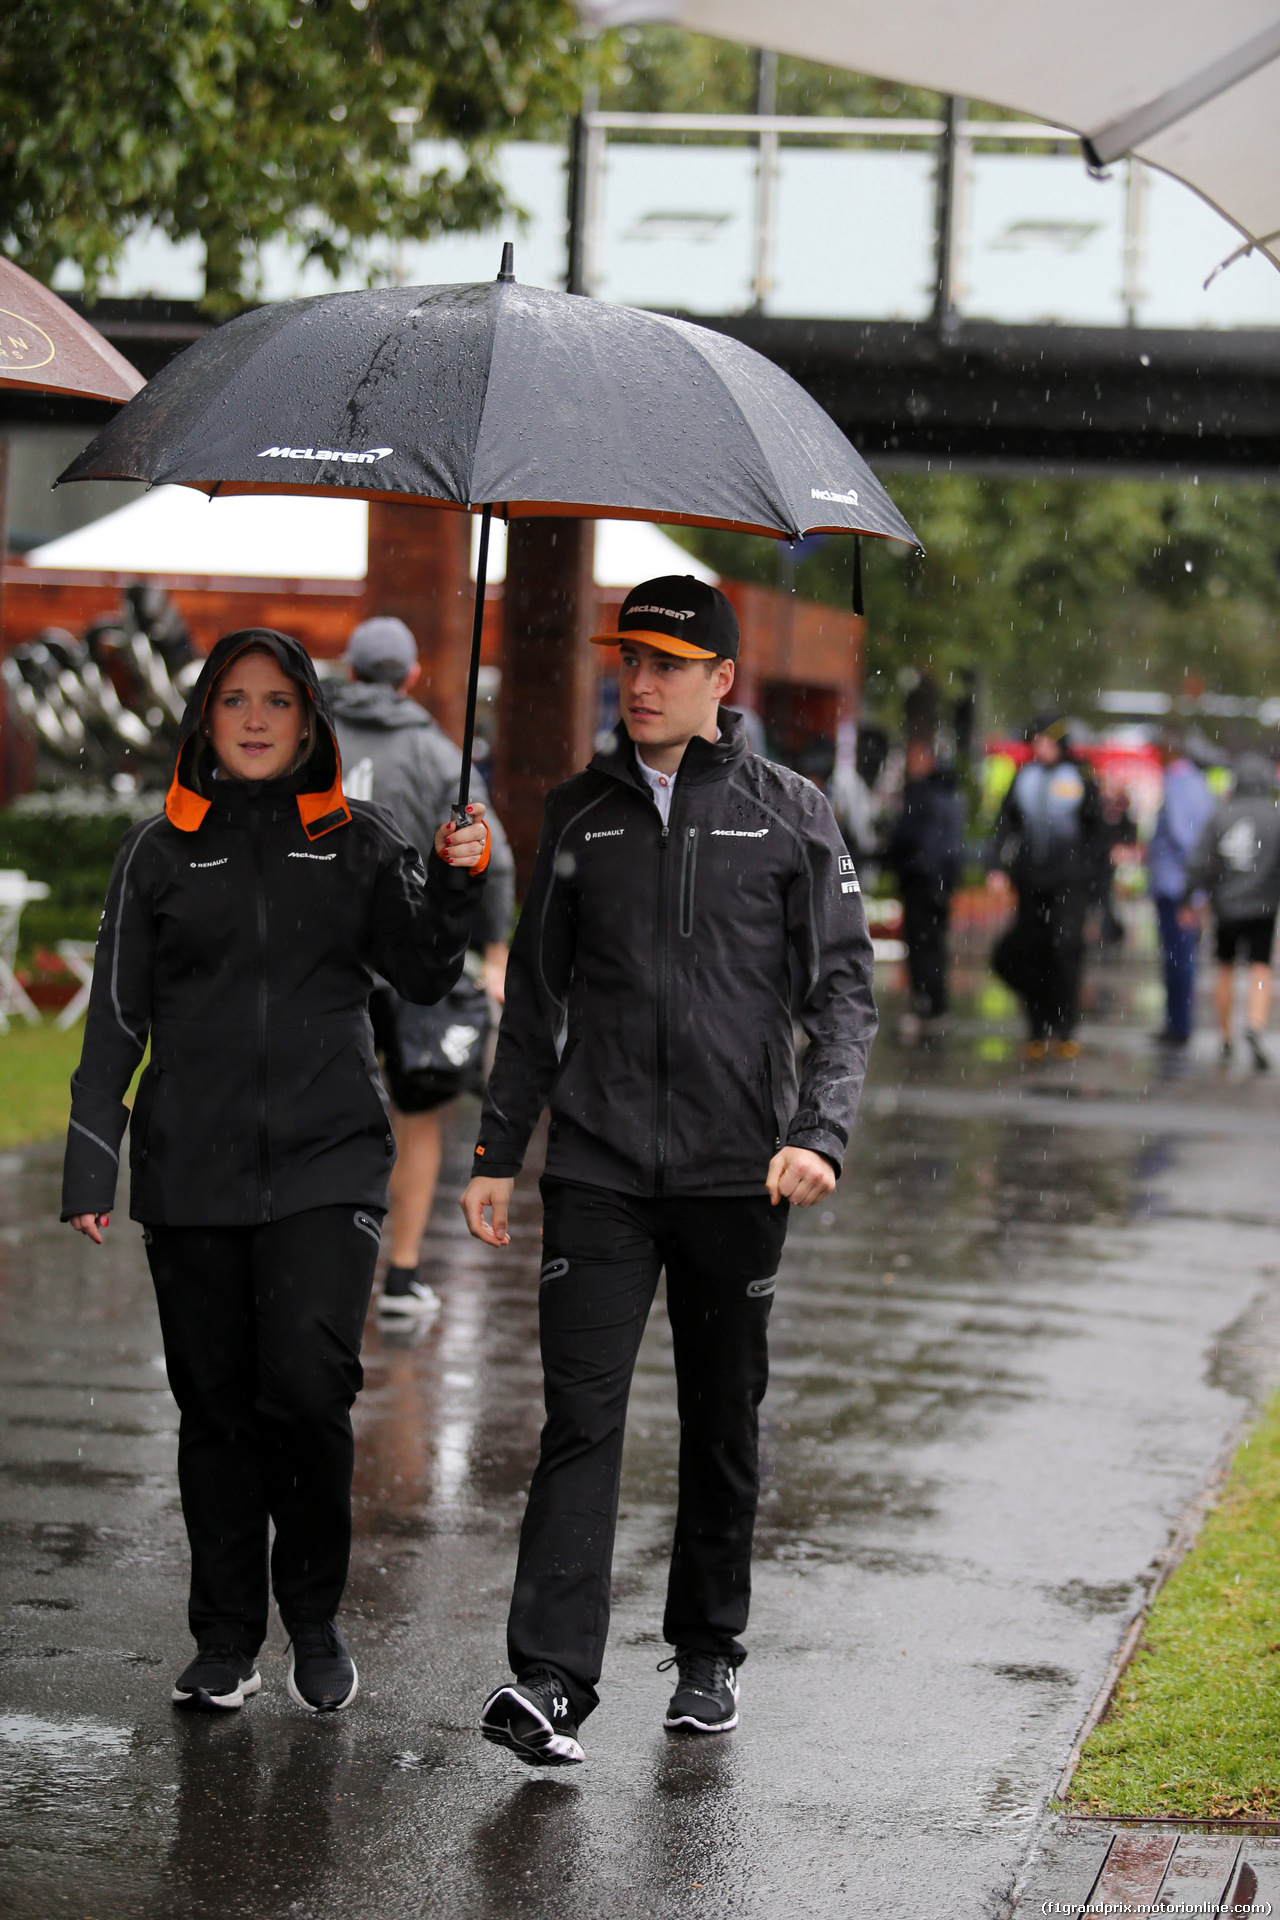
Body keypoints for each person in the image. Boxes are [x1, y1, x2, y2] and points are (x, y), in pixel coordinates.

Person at [460, 575, 877, 1767]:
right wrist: (498, 1150)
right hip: (594, 1166)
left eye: (663, 664)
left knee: (717, 1419)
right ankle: (549, 1680)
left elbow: (844, 993)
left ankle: (705, 1652)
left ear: (718, 684)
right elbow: (535, 1000)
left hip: (735, 1173)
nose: (636, 683)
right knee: (579, 1420)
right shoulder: (578, 814)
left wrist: (818, 1132)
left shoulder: (789, 812)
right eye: (626, 662)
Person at [61, 629, 489, 1716]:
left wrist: (451, 883)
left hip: (327, 1162)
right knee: (213, 1410)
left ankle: (312, 1617)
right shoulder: (156, 852)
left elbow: (425, 966)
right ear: (204, 720)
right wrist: (90, 1158)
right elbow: (115, 1015)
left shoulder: (356, 839)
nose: (255, 719)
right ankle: (223, 1637)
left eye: (277, 702)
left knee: (304, 1391)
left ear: (310, 721)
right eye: (234, 701)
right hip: (189, 1170)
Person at [330, 616, 515, 1318]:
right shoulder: (442, 753)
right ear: (409, 679)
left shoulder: (316, 741)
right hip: (414, 963)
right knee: (415, 1120)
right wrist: (493, 950)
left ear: (350, 671)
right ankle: (401, 1275)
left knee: (327, 1117)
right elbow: (487, 848)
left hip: (328, 961)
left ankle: (327, 1269)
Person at [989, 713, 1104, 1060]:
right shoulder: (1024, 778)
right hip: (1030, 884)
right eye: (1036, 739)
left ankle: (1065, 1027)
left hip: (1069, 887)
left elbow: (1096, 836)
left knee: (1065, 954)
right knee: (1031, 954)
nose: (1039, 745)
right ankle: (1037, 1028)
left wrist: (1094, 884)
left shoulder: (1081, 778)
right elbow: (1005, 825)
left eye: (1046, 739)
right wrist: (997, 866)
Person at [1183, 752, 1280, 1070]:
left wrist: (1189, 897)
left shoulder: (1221, 815)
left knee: (1224, 966)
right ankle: (1255, 1022)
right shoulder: (1275, 816)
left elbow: (1200, 861)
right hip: (1263, 905)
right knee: (1259, 967)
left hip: (1225, 905)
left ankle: (1225, 1034)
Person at [885, 738, 967, 1040]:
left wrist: (892, 858)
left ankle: (925, 1005)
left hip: (921, 879)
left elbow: (905, 836)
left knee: (920, 944)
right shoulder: (952, 795)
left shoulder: (920, 794)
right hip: (942, 881)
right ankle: (937, 1005)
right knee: (934, 944)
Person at [1146, 736, 1213, 1048]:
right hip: (1184, 886)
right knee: (1182, 957)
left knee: (1178, 958)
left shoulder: (1178, 784)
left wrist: (1191, 892)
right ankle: (1177, 1022)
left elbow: (1183, 837)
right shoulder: (1199, 784)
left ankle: (1179, 1025)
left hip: (1175, 887)